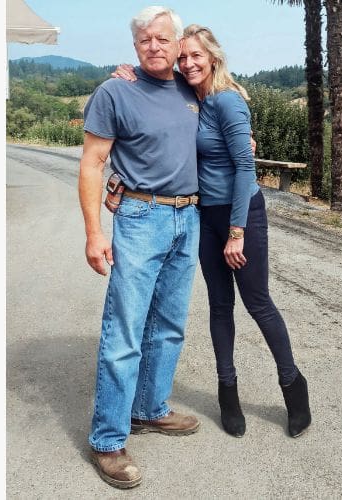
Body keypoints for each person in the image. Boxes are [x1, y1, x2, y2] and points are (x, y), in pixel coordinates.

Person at [114, 25, 312, 439]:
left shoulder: (227, 101)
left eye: (195, 56)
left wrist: (237, 231)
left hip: (242, 216)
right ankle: (228, 393)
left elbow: (245, 168)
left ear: (213, 58)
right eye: (182, 57)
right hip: (204, 216)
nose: (187, 63)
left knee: (258, 303)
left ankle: (293, 387)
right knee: (220, 307)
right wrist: (127, 71)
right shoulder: (190, 97)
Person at [77, 5, 202, 489]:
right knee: (125, 329)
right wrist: (94, 232)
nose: (154, 46)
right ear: (135, 46)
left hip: (188, 217)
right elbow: (92, 164)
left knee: (169, 324)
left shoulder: (192, 88)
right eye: (145, 39)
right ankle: (108, 439)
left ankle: (149, 408)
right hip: (141, 216)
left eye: (162, 39)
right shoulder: (115, 91)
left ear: (176, 43)